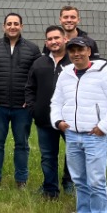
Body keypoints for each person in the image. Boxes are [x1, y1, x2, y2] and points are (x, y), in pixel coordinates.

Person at [51, 36, 107, 213]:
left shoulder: (105, 73)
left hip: (94, 136)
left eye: (80, 50)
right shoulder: (66, 74)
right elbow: (56, 101)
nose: (76, 54)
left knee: (96, 179)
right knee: (79, 179)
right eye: (72, 50)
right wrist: (58, 120)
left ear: (89, 51)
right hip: (73, 135)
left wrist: (103, 127)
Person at [0, 12, 41, 188]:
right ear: (4, 26)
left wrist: (30, 100)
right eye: (9, 24)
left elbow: (36, 77)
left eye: (16, 24)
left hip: (22, 107)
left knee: (22, 144)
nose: (12, 27)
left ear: (21, 26)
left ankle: (21, 180)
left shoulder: (32, 49)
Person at [25, 26, 74, 198]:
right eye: (50, 39)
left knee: (73, 153)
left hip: (70, 121)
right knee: (47, 156)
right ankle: (50, 188)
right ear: (46, 42)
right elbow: (30, 88)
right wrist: (33, 109)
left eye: (56, 38)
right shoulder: (39, 63)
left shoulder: (74, 61)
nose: (53, 42)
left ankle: (69, 182)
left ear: (65, 39)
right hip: (45, 120)